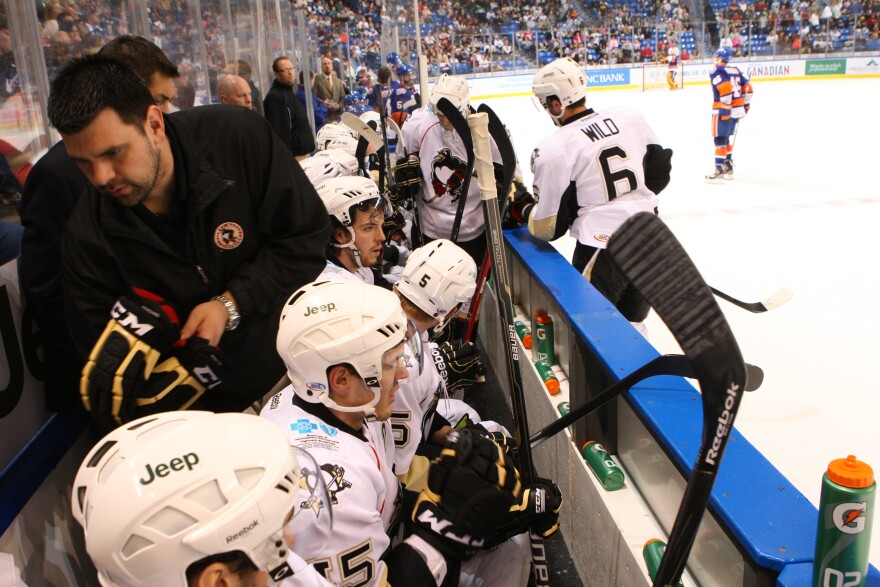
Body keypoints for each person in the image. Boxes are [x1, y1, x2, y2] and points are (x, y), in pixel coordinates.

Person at [46, 54, 330, 429]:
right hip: (205, 427)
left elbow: (307, 238)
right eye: (82, 162)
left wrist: (229, 304)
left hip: (292, 373)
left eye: (113, 153)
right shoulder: (87, 236)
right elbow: (102, 366)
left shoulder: (239, 138)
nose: (101, 177)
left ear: (153, 123)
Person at [262, 279, 538, 587]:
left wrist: (449, 484)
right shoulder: (329, 493)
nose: (404, 373)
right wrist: (444, 532)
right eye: (392, 363)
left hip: (383, 539)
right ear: (341, 379)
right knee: (510, 556)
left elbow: (386, 487)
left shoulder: (342, 403)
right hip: (384, 559)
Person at [20, 35, 181, 412]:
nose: (168, 113)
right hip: (114, 389)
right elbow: (51, 296)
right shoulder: (57, 177)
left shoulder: (165, 160)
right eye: (161, 100)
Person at [71, 410, 334, 586]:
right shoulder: (263, 559)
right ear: (218, 582)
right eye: (279, 532)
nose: (290, 539)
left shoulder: (258, 558)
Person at [516, 57, 672, 331]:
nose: (546, 109)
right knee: (634, 325)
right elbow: (659, 173)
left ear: (556, 103)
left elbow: (547, 228)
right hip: (650, 237)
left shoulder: (554, 147)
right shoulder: (628, 116)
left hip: (602, 248)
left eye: (545, 103)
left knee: (595, 333)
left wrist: (524, 206)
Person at [397, 74, 505, 267]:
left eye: (449, 116)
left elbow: (506, 172)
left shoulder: (485, 131)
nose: (444, 122)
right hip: (429, 229)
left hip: (475, 231)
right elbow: (402, 166)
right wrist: (406, 176)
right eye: (439, 115)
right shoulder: (417, 126)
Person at [313, 175, 391, 287]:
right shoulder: (335, 287)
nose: (382, 237)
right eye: (368, 228)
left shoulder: (358, 266)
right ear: (340, 235)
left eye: (380, 226)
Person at [706, 48, 753, 182]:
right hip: (737, 110)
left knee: (719, 138)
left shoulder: (717, 70)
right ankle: (727, 164)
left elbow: (725, 88)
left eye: (717, 56)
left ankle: (719, 168)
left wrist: (726, 108)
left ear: (721, 58)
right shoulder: (736, 70)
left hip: (723, 109)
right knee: (726, 137)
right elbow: (749, 89)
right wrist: (745, 105)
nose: (715, 59)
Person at [264, 56, 315, 159]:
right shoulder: (275, 97)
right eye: (285, 70)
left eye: (292, 69)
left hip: (302, 155)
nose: (290, 73)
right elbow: (280, 134)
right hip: (295, 158)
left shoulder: (288, 92)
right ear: (276, 74)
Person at [312, 57, 345, 124]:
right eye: (324, 64)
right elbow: (313, 97)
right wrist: (323, 102)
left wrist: (338, 106)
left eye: (329, 63)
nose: (327, 65)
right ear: (321, 67)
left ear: (332, 66)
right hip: (324, 118)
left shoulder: (338, 81)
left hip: (337, 118)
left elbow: (343, 98)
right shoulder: (316, 80)